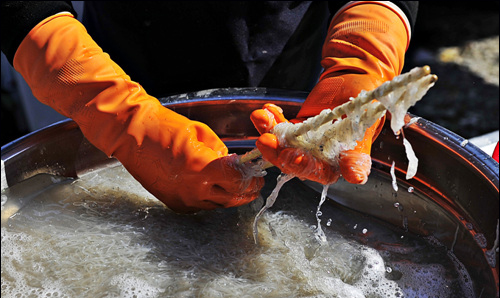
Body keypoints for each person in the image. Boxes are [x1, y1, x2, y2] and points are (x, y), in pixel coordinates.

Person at [1, 1, 418, 213]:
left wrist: (365, 52)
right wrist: (114, 112)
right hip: (120, 53)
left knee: (284, 185)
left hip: (280, 45)